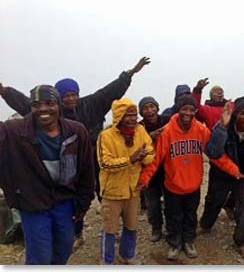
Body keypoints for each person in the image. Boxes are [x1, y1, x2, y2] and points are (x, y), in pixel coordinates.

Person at [0, 56, 150, 248]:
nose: (71, 99)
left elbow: (111, 90)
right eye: (66, 96)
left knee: (105, 193)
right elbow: (25, 103)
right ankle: (76, 231)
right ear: (58, 99)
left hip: (95, 157)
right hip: (68, 161)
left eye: (73, 94)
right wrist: (5, 91)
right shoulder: (53, 111)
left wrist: (130, 73)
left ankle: (112, 227)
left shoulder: (92, 104)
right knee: (73, 196)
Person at [139, 95, 243, 261]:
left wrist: (234, 170)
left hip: (193, 186)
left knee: (190, 215)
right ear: (178, 110)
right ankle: (174, 243)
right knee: (173, 216)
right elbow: (155, 160)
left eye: (191, 109)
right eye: (184, 109)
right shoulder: (167, 132)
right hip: (173, 186)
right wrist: (144, 180)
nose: (188, 113)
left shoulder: (201, 130)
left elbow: (215, 154)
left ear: (195, 111)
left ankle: (188, 241)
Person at [0, 85, 95, 264]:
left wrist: (83, 203)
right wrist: (14, 197)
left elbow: (86, 170)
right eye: (36, 105)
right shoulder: (15, 131)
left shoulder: (76, 131)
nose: (43, 109)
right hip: (33, 204)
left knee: (64, 249)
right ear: (31, 107)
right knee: (39, 256)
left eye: (49, 103)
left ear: (58, 105)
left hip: (65, 202)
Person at [198, 97, 244, 261]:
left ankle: (243, 242)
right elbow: (213, 152)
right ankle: (205, 225)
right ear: (236, 114)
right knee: (214, 200)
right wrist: (222, 126)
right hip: (222, 174)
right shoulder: (222, 127)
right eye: (243, 113)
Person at [97, 98, 155, 265]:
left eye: (134, 115)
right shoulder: (106, 136)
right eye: (128, 115)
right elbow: (104, 163)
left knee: (132, 226)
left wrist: (145, 158)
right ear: (118, 116)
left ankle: (127, 256)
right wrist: (130, 159)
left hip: (133, 190)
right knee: (110, 230)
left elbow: (150, 151)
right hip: (113, 192)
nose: (132, 119)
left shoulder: (140, 131)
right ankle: (107, 262)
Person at [138, 96, 171, 242]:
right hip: (149, 172)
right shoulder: (139, 128)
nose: (150, 110)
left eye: (152, 107)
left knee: (171, 202)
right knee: (152, 204)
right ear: (141, 112)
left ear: (157, 108)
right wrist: (149, 138)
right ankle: (156, 228)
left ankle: (171, 228)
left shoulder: (167, 120)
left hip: (169, 170)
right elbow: (134, 146)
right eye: (145, 108)